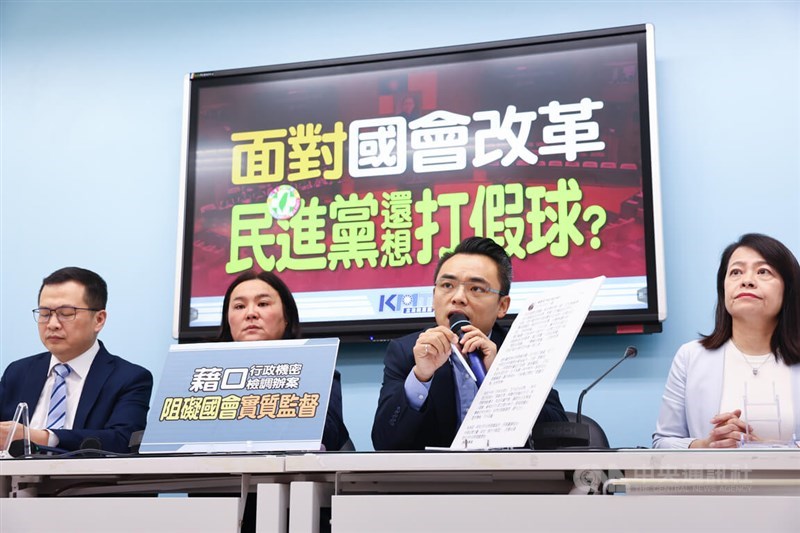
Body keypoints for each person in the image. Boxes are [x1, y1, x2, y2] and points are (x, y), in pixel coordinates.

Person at [372, 236, 568, 450]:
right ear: (433, 296)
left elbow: (558, 438)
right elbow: (384, 442)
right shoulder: (408, 352)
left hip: (509, 479)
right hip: (435, 481)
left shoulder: (521, 350)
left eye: (476, 289)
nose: (458, 297)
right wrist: (421, 376)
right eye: (447, 285)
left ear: (502, 305)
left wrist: (502, 378)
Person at [653, 233, 800, 449]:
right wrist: (706, 445)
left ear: (788, 289)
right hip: (720, 483)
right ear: (723, 290)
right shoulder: (691, 356)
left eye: (763, 271)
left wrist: (770, 449)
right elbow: (662, 442)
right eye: (736, 272)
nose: (747, 280)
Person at [0, 267, 153, 453]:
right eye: (45, 313)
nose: (53, 324)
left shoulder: (129, 378)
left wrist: (43, 437)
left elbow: (123, 441)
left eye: (66, 313)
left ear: (99, 319)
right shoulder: (18, 372)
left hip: (86, 481)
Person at [218, 270, 350, 451]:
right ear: (228, 320)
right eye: (240, 306)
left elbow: (328, 435)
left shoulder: (316, 369)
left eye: (263, 304)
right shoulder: (201, 374)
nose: (250, 313)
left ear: (286, 317)